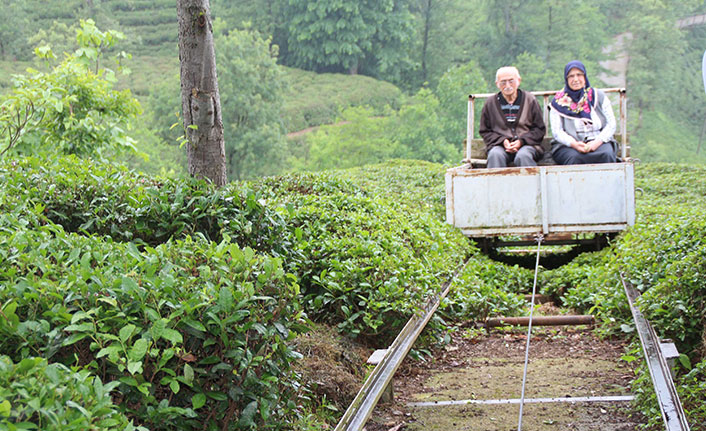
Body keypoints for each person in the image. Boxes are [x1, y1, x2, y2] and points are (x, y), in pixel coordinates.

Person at [549, 60, 617, 164]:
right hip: (569, 145)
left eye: (579, 75)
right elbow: (557, 131)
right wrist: (574, 144)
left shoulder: (598, 96)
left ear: (585, 77)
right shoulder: (558, 102)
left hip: (598, 141)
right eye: (571, 76)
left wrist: (597, 142)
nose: (575, 79)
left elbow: (611, 124)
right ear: (566, 79)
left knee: (606, 154)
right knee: (574, 158)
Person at [479, 66, 546, 168]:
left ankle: (529, 184)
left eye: (511, 81)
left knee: (523, 156)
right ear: (497, 84)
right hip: (500, 146)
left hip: (527, 146)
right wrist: (502, 141)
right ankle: (496, 184)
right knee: (495, 155)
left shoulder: (530, 100)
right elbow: (485, 131)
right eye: (503, 82)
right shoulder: (490, 103)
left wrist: (521, 141)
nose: (507, 85)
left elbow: (539, 129)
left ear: (518, 81)